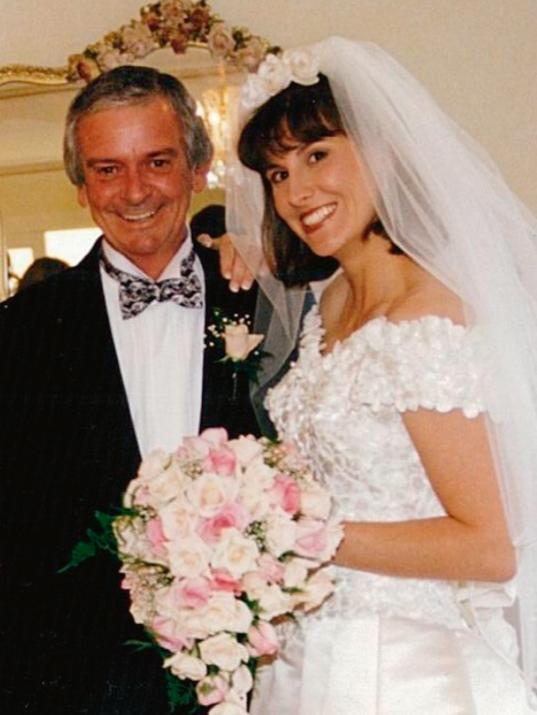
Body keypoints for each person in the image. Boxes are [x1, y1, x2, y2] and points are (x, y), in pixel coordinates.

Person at [229, 37, 537, 713]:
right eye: (277, 173)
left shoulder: (429, 315)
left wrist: (292, 536)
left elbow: (488, 547)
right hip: (306, 656)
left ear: (382, 149)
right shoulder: (328, 300)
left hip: (403, 669)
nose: (296, 191)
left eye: (316, 155)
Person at [0, 66, 260, 714]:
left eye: (158, 161)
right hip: (80, 684)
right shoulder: (19, 332)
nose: (135, 190)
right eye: (107, 168)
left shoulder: (262, 300)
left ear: (198, 167)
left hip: (262, 672)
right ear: (82, 186)